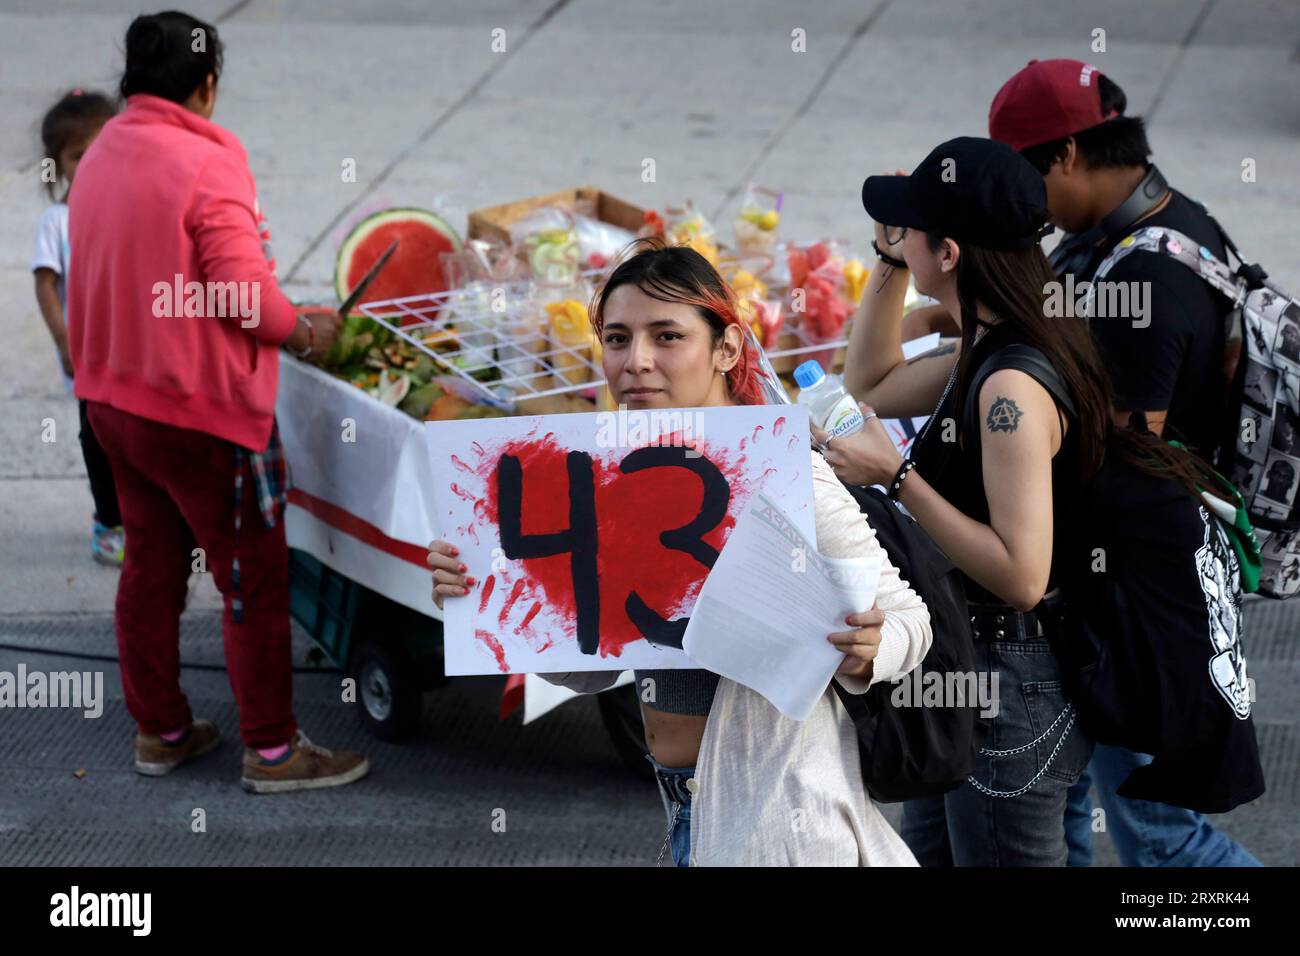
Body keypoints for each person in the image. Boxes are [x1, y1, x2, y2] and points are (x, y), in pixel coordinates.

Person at [429, 239, 933, 866]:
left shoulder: (781, 472)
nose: (635, 361)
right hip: (684, 812)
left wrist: (866, 652)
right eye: (617, 339)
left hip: (783, 828)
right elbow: (592, 665)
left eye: (666, 336)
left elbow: (911, 621)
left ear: (725, 349)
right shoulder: (617, 476)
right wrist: (496, 593)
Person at [68, 10, 367, 793]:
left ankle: (161, 731)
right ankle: (273, 751)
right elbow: (240, 293)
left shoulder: (100, 150)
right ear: (206, 86)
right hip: (197, 414)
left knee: (152, 566)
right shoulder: (207, 162)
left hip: (113, 405)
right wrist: (301, 330)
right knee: (252, 579)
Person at [989, 58, 1260, 866]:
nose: (1026, 207)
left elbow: (1118, 449)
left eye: (1026, 179)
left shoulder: (1145, 273)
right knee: (1067, 811)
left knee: (1162, 838)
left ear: (1067, 154)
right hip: (1130, 582)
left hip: (1144, 600)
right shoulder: (1163, 223)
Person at [826, 136, 1110, 866]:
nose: (899, 237)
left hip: (1010, 678)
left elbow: (1020, 574)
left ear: (948, 253)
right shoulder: (996, 338)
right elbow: (873, 383)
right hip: (966, 660)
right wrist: (889, 264)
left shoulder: (1009, 386)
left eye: (909, 230)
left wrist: (896, 479)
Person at [33, 89, 124, 566]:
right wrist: (63, 341)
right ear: (56, 165)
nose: (88, 164)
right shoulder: (57, 221)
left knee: (133, 437)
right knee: (96, 439)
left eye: (99, 150)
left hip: (129, 352)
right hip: (87, 357)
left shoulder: (125, 208)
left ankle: (144, 520)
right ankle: (107, 523)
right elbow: (45, 285)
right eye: (75, 155)